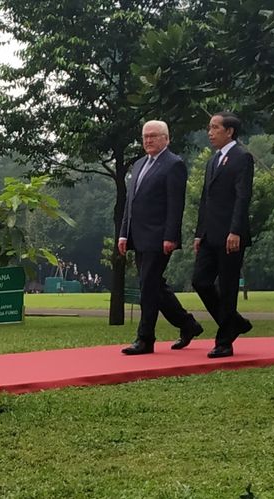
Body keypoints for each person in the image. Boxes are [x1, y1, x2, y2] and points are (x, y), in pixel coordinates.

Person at [119, 120, 203, 355]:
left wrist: (170, 236)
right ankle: (188, 324)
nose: (148, 140)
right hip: (137, 236)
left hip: (158, 237)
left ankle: (145, 339)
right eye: (145, 136)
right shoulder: (137, 165)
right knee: (154, 286)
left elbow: (176, 205)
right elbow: (130, 203)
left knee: (148, 286)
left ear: (166, 138)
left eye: (154, 136)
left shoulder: (173, 164)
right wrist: (123, 234)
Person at [190, 112, 254, 358]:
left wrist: (235, 230)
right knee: (200, 281)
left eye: (215, 127)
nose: (210, 132)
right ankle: (234, 322)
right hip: (209, 234)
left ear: (229, 132)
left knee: (227, 287)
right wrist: (199, 233)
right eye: (209, 127)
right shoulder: (212, 160)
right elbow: (205, 199)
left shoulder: (242, 157)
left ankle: (225, 341)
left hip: (230, 235)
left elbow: (242, 196)